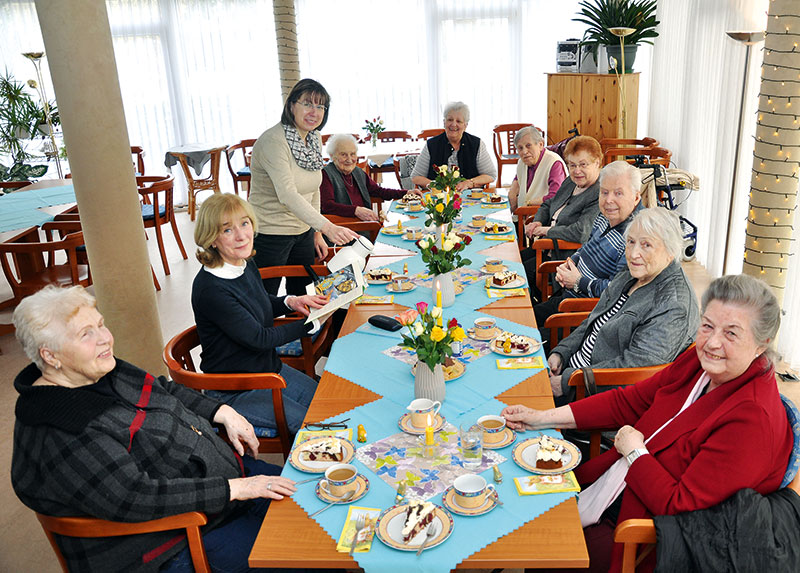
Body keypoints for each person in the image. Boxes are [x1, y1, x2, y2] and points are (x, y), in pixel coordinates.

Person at [502, 274, 793, 573]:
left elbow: (680, 507)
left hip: (641, 541)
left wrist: (634, 452)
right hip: (615, 486)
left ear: (762, 344)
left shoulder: (752, 421)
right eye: (707, 326)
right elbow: (628, 402)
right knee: (514, 481)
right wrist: (541, 417)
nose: (712, 343)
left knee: (535, 537)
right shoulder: (699, 362)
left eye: (732, 333)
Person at [11, 285, 299, 572]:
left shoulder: (94, 370)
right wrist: (236, 488)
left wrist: (220, 411)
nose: (105, 340)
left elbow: (161, 388)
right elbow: (135, 496)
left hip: (222, 488)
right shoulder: (61, 430)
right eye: (86, 334)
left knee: (312, 497)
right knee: (303, 552)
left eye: (101, 325)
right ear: (50, 356)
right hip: (177, 539)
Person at [192, 193, 328, 435]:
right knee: (316, 426)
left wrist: (291, 301)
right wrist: (313, 321)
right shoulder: (211, 289)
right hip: (235, 389)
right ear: (211, 239)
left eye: (244, 223)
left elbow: (259, 303)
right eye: (227, 230)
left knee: (327, 403)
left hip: (265, 370)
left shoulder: (242, 263)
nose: (242, 235)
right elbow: (260, 338)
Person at [547, 208, 699, 404]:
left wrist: (567, 381)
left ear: (670, 252)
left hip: (595, 397)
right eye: (631, 242)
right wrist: (562, 352)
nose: (634, 254)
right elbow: (594, 320)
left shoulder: (674, 305)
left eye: (646, 245)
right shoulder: (633, 273)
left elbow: (633, 371)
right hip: (575, 374)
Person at [249, 78, 359, 294]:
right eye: (307, 104)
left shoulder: (313, 137)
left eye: (320, 106)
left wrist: (317, 231)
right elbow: (288, 194)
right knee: (264, 299)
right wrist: (327, 227)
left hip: (303, 231)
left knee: (303, 295)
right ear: (291, 106)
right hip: (271, 233)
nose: (314, 112)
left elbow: (313, 186)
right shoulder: (274, 141)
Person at [532, 160, 643, 329]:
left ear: (636, 197)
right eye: (604, 192)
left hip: (583, 317)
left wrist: (577, 281)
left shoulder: (636, 239)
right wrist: (570, 263)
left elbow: (615, 292)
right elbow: (586, 247)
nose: (608, 200)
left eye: (618, 193)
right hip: (568, 297)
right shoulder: (605, 216)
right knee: (518, 318)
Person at [320, 133, 421, 221]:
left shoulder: (357, 172)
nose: (349, 159)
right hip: (344, 228)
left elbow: (378, 191)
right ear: (332, 156)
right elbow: (327, 206)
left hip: (363, 223)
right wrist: (356, 211)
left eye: (353, 154)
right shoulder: (326, 174)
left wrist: (406, 192)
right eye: (343, 155)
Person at [410, 101, 497, 191]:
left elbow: (490, 175)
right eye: (450, 120)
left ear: (465, 125)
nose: (453, 124)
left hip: (470, 197)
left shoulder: (476, 144)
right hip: (438, 199)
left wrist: (469, 182)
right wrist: (434, 185)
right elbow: (416, 177)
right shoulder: (431, 144)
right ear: (444, 122)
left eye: (459, 121)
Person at [507, 126, 566, 212]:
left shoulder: (554, 163)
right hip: (523, 216)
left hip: (545, 216)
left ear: (540, 145)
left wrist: (529, 203)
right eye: (520, 148)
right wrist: (512, 192)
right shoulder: (522, 162)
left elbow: (556, 197)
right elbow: (518, 178)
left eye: (528, 146)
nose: (524, 152)